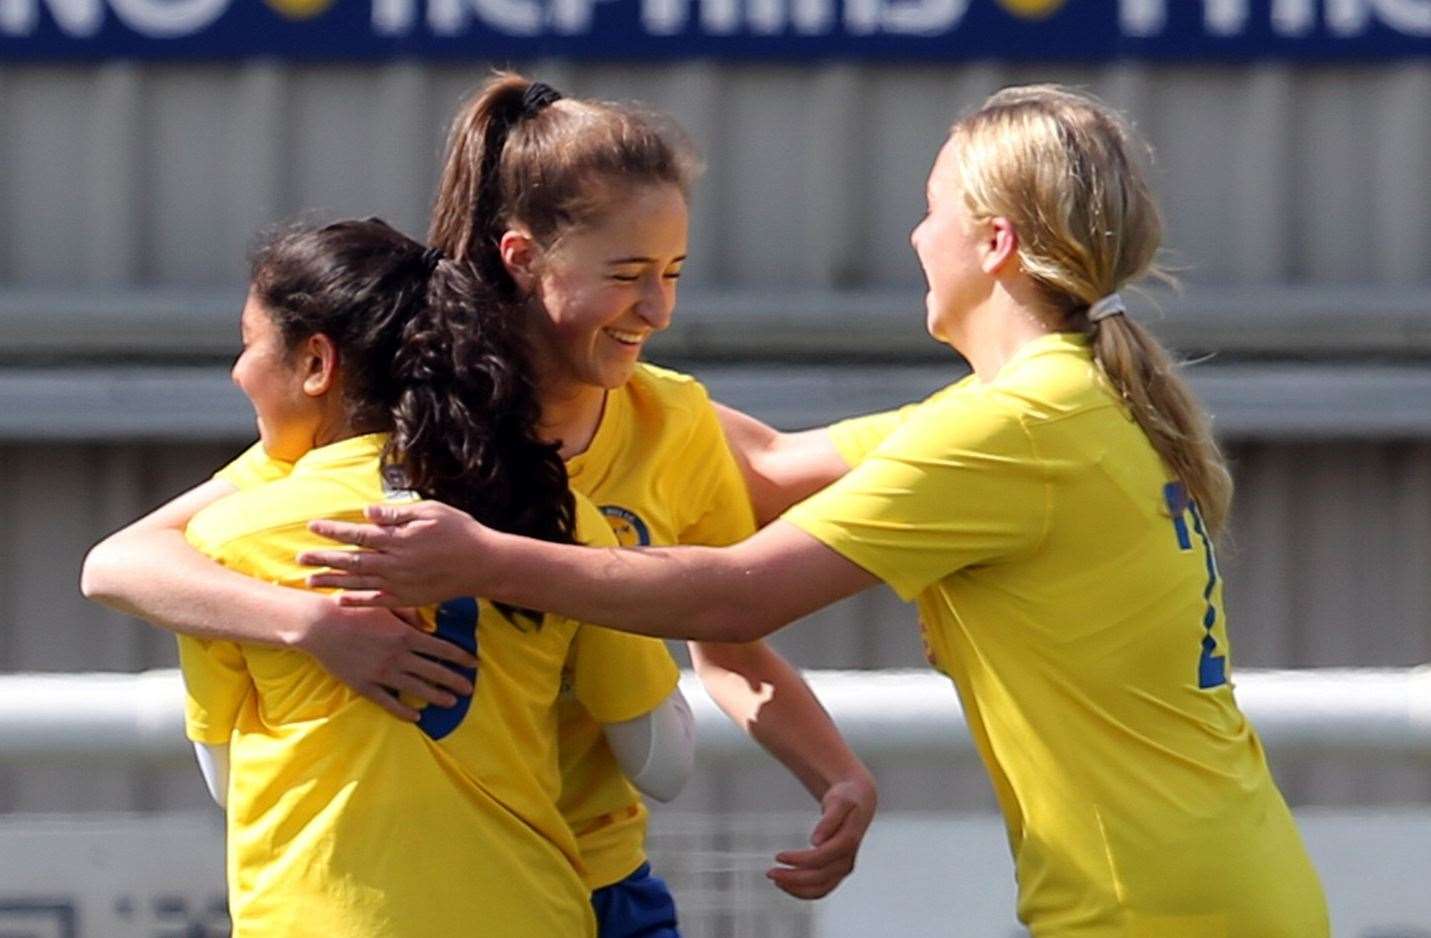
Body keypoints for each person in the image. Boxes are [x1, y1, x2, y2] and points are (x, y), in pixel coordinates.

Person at [300, 85, 1331, 937]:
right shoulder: (1050, 403)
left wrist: (480, 556)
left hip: (1159, 905)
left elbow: (739, 591)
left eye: (933, 210)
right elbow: (774, 462)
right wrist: (596, 361)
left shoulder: (1009, 429)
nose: (916, 235)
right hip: (1218, 880)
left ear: (995, 242)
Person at [82, 73, 875, 937]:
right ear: (521, 255)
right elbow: (128, 561)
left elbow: (727, 635)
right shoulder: (408, 417)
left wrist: (836, 774)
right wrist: (309, 623)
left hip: (598, 879)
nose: (657, 307)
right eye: (627, 273)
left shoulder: (671, 420)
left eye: (674, 273)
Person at [146, 217, 686, 935]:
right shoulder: (550, 514)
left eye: (249, 345)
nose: (239, 371)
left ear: (315, 363)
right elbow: (662, 761)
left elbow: (226, 781)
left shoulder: (225, 544)